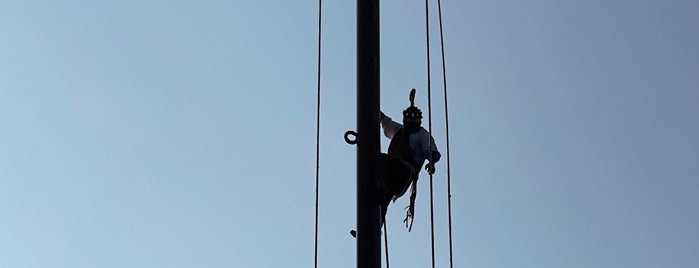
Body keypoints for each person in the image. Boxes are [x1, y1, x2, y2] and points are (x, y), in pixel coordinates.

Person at [378, 88, 441, 231]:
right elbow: (386, 122)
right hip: (390, 172)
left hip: (404, 172)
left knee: (380, 160)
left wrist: (432, 162)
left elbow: (432, 151)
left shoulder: (422, 135)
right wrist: (376, 112)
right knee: (382, 200)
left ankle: (379, 185)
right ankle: (371, 229)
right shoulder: (399, 131)